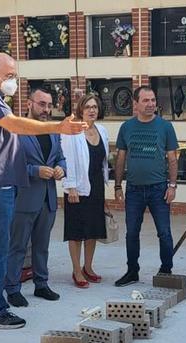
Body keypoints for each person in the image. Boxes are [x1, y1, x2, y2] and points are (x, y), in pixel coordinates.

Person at [0, 53, 85, 329]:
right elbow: (14, 124)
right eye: (9, 76)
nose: (13, 81)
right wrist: (58, 127)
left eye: (14, 76)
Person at [4, 88, 66, 307]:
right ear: (29, 104)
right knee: (18, 246)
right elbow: (9, 165)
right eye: (41, 104)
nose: (46, 110)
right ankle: (12, 288)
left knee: (42, 245)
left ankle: (41, 284)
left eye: (49, 105)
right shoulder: (17, 130)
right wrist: (34, 171)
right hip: (24, 198)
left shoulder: (53, 131)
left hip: (48, 199)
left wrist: (61, 169)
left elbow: (60, 157)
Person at [113, 86, 179, 287]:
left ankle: (166, 270)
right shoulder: (126, 127)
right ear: (135, 104)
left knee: (164, 232)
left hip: (159, 188)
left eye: (153, 100)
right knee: (131, 232)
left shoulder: (165, 127)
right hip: (133, 189)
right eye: (146, 100)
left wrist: (172, 186)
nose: (151, 104)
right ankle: (132, 271)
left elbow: (172, 159)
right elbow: (121, 158)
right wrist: (117, 186)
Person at [61, 94, 111, 288]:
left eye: (95, 107)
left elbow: (103, 163)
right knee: (76, 231)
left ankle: (88, 267)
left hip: (96, 186)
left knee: (93, 230)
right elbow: (67, 159)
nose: (92, 110)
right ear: (80, 110)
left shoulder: (102, 130)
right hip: (77, 187)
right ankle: (76, 271)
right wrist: (70, 186)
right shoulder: (71, 131)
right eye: (88, 107)